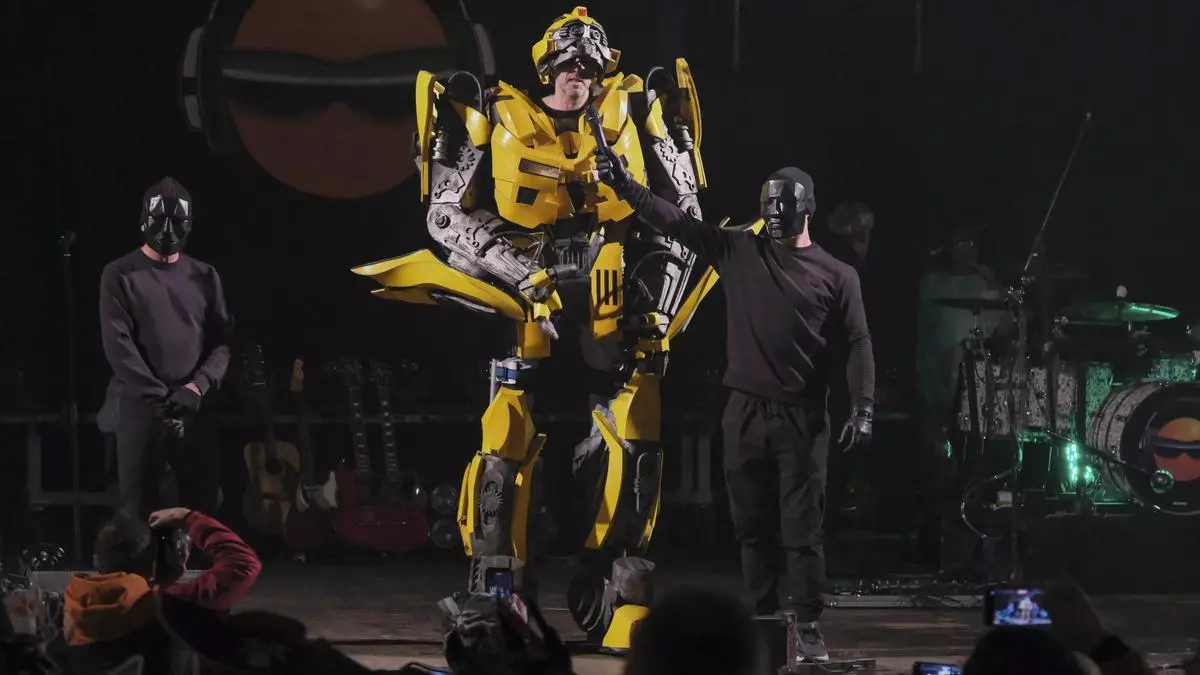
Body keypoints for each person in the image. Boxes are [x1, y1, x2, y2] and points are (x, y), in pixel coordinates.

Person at [351, 6, 712, 649]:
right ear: (547, 68)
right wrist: (521, 273)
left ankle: (619, 582)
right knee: (507, 429)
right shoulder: (490, 109)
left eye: (591, 65)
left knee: (635, 425)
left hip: (617, 276)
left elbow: (685, 212)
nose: (580, 74)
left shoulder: (637, 106)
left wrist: (658, 296)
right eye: (568, 63)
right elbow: (444, 214)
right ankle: (496, 585)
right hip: (523, 279)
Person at [595, 151, 875, 664]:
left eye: (784, 208)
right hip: (744, 411)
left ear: (806, 210)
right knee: (750, 524)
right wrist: (626, 185)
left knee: (802, 528)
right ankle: (764, 616)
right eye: (768, 208)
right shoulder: (740, 250)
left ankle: (808, 624)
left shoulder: (837, 275)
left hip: (801, 417)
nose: (774, 217)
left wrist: (863, 407)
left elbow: (858, 342)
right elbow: (676, 222)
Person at [99, 177, 230, 519]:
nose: (168, 230)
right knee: (138, 514)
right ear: (144, 220)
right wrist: (157, 395)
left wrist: (196, 387)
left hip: (194, 410)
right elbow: (118, 344)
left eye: (177, 222)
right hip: (142, 411)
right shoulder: (120, 274)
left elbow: (222, 342)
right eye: (161, 220)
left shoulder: (205, 276)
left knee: (200, 513)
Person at [62, 507, 262, 675]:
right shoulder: (174, 604)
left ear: (97, 561)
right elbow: (243, 564)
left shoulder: (66, 607)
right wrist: (187, 517)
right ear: (162, 563)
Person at [912, 223, 1006, 568]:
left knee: (972, 469)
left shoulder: (984, 284)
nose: (968, 250)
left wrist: (995, 285)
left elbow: (1006, 326)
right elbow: (923, 336)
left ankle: (970, 543)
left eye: (973, 244)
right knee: (935, 471)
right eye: (961, 243)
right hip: (934, 387)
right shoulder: (933, 283)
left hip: (973, 395)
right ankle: (930, 547)